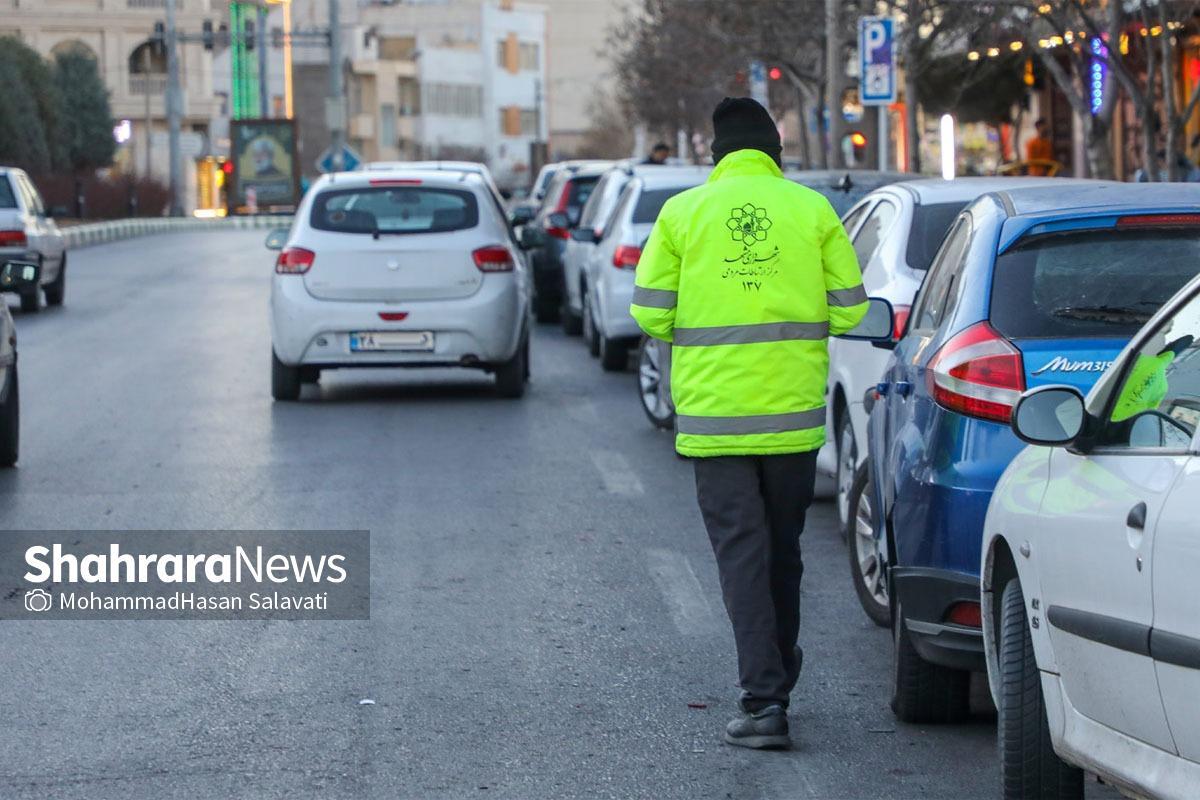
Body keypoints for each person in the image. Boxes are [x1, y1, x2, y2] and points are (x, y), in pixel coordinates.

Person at [630, 97, 867, 750]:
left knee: (742, 552)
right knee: (782, 551)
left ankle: (764, 700)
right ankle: (778, 670)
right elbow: (849, 310)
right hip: (791, 423)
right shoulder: (813, 211)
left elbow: (650, 312)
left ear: (716, 153)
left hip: (715, 421)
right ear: (774, 151)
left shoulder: (682, 215)